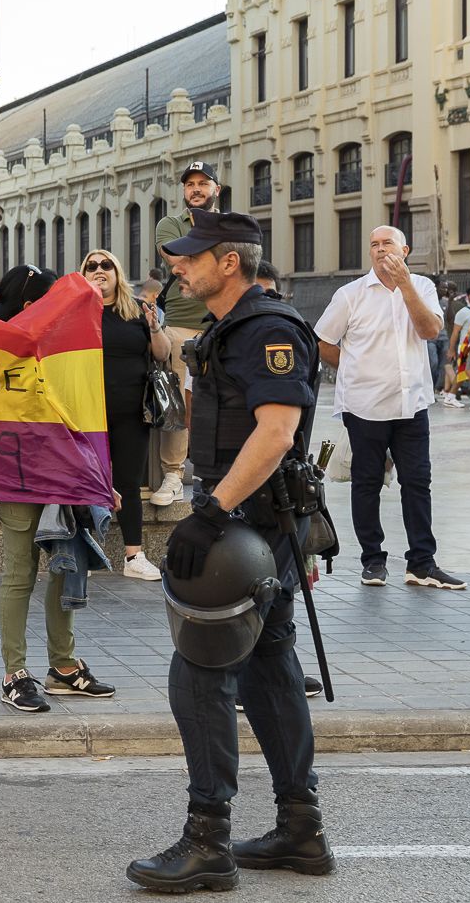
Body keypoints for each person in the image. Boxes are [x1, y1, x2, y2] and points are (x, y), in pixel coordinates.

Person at [128, 209, 330, 893]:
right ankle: (300, 828)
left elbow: (275, 432)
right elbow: (182, 352)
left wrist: (210, 512)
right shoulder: (234, 326)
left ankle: (208, 836)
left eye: (191, 257)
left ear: (230, 262)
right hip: (252, 521)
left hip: (249, 522)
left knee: (200, 667)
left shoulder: (270, 328)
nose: (180, 267)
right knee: (268, 665)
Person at [0, 264, 117, 711]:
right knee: (19, 573)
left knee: (66, 564)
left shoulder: (61, 342)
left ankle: (62, 666)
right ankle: (14, 672)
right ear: (29, 307)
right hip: (18, 472)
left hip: (62, 471)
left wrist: (99, 476)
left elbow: (82, 406)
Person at [313, 227, 458, 590]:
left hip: (412, 405)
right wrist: (353, 367)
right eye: (374, 245)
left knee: (417, 482)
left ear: (404, 250)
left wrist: (406, 285)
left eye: (387, 244)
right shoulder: (351, 294)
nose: (380, 250)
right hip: (364, 406)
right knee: (366, 483)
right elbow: (322, 341)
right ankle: (372, 560)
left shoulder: (422, 287)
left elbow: (429, 330)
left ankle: (422, 562)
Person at [82, 249, 171, 580]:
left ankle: (134, 556)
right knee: (89, 478)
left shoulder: (136, 310)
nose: (99, 270)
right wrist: (85, 300)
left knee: (129, 483)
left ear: (118, 273)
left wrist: (154, 327)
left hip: (132, 411)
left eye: (106, 265)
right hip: (88, 412)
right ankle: (85, 549)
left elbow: (161, 354)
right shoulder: (77, 311)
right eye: (92, 267)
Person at [151, 162, 223, 506]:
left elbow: (238, 264)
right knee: (178, 397)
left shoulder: (230, 223)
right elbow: (175, 258)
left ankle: (225, 469)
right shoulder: (169, 223)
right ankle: (174, 473)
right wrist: (214, 255)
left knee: (226, 398)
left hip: (222, 321)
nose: (196, 189)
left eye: (203, 183)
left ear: (216, 190)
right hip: (180, 323)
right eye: (190, 184)